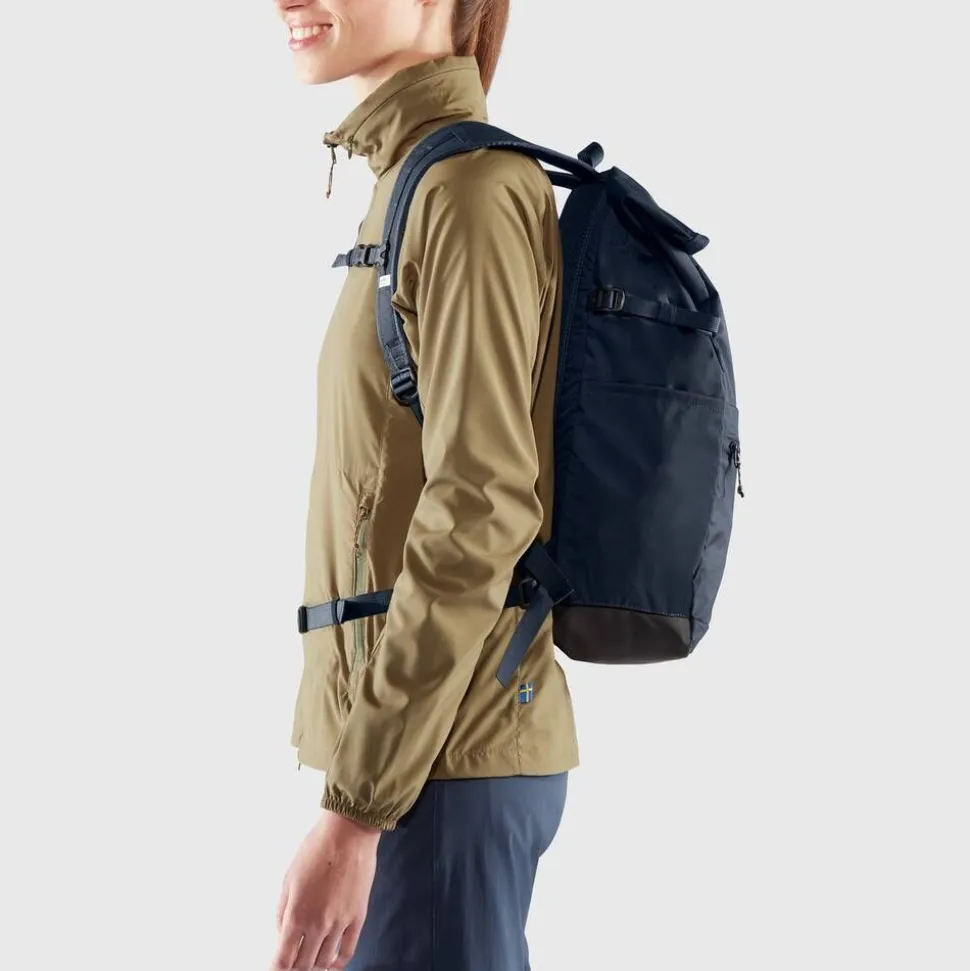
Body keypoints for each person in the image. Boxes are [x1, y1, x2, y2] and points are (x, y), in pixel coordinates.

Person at [271, 1, 580, 968]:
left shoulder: (469, 191)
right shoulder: (416, 182)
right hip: (419, 764)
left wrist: (356, 815)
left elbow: (482, 507)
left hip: (439, 774)